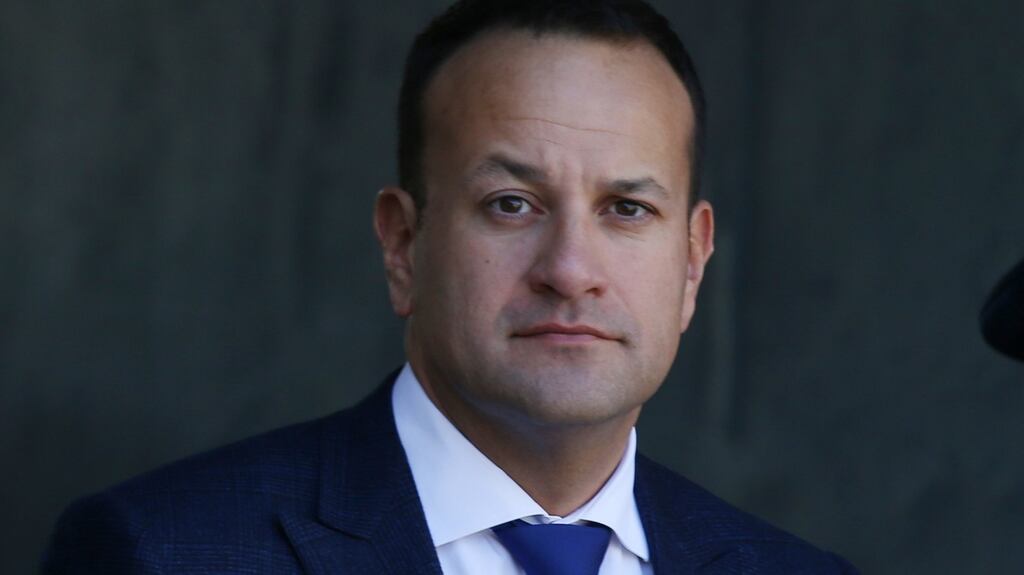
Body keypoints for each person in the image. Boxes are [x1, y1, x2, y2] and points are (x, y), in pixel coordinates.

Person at [42, 1, 857, 573]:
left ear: (692, 260)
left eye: (626, 208)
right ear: (402, 243)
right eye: (511, 204)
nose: (570, 268)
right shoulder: (159, 553)